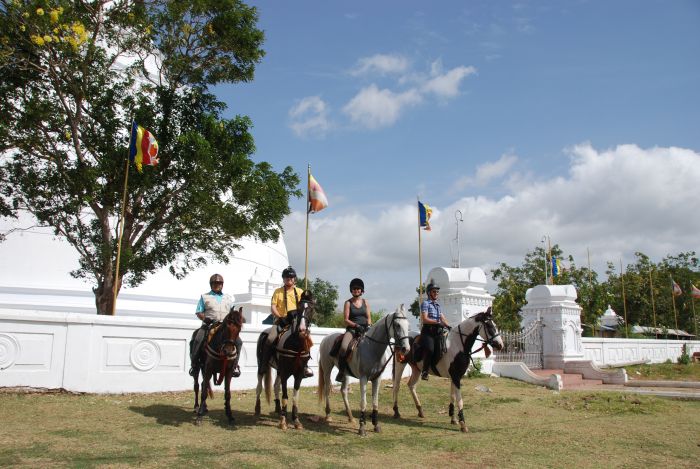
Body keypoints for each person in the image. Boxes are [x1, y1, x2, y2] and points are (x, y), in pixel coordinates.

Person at [259, 266, 313, 377]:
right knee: (270, 338)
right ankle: (264, 364)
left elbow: (304, 306)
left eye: (291, 277)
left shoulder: (299, 291)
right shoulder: (277, 292)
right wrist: (279, 317)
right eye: (286, 277)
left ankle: (305, 366)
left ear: (294, 279)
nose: (288, 279)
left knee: (307, 339)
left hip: (296, 322)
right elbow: (273, 307)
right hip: (281, 321)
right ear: (283, 279)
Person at [190, 273, 241, 377]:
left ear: (222, 284)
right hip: (209, 325)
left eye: (219, 283)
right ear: (211, 284)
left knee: (239, 342)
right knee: (197, 339)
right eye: (214, 283)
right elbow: (198, 311)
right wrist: (205, 318)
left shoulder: (227, 298)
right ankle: (194, 365)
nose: (217, 285)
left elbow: (232, 312)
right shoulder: (205, 297)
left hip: (225, 327)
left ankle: (235, 366)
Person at [335, 278, 372, 382]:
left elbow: (368, 316)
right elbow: (346, 320)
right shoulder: (348, 303)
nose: (356, 290)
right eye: (354, 289)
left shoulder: (366, 302)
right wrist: (356, 326)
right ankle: (341, 372)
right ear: (351, 290)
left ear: (361, 290)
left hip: (365, 330)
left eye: (358, 289)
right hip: (352, 330)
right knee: (343, 347)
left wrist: (368, 325)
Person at [419, 282, 450, 380]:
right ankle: (424, 371)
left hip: (437, 332)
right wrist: (437, 322)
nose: (436, 293)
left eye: (437, 291)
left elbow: (443, 319)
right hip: (428, 331)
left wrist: (448, 326)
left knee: (443, 349)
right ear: (429, 293)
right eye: (434, 291)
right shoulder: (425, 304)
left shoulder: (437, 305)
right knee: (430, 349)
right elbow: (425, 319)